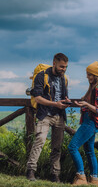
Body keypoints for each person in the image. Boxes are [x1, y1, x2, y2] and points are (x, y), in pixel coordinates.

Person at [26, 53, 71, 182]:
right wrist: (55, 104)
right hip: (45, 114)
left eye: (66, 67)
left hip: (59, 116)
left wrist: (66, 101)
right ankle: (30, 171)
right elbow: (38, 98)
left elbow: (64, 95)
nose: (64, 69)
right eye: (62, 66)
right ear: (54, 63)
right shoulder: (41, 76)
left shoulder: (64, 78)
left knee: (57, 147)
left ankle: (55, 175)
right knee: (39, 140)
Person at [68, 61, 98, 186]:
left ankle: (81, 177)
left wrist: (86, 104)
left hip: (90, 122)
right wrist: (81, 103)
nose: (87, 77)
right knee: (89, 150)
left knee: (72, 147)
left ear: (95, 75)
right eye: (87, 74)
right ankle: (94, 180)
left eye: (89, 74)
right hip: (89, 122)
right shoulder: (94, 87)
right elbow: (91, 105)